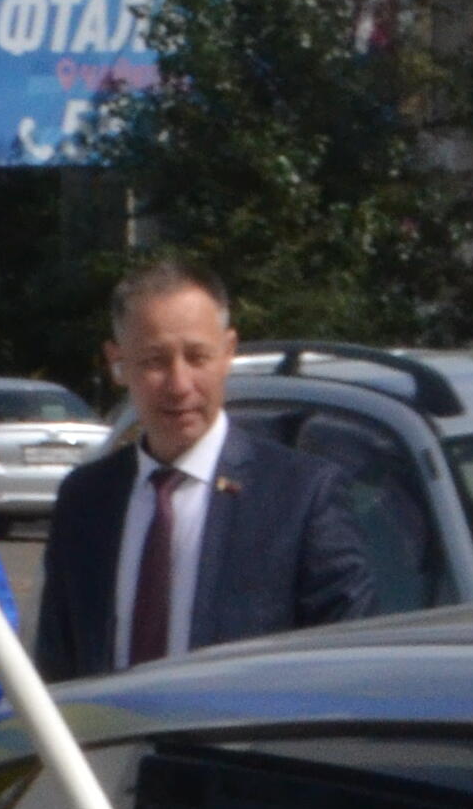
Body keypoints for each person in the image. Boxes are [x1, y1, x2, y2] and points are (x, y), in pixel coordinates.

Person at [30, 254, 377, 681]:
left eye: (197, 358)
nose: (179, 385)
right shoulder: (86, 499)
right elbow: (58, 668)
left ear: (228, 352)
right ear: (117, 362)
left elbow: (345, 665)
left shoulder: (299, 497)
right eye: (155, 362)